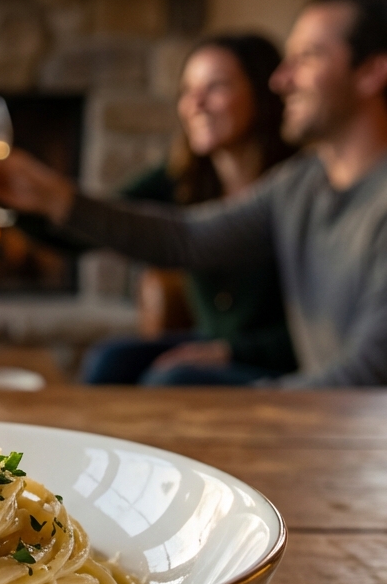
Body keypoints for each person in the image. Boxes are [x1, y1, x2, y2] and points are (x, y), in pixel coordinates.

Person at [0, 0, 387, 387]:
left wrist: (254, 408)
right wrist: (51, 196)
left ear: (373, 71)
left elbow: (369, 374)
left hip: (352, 437)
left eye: (309, 57)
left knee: (174, 385)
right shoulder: (301, 184)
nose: (282, 81)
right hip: (321, 418)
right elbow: (184, 237)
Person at [82, 34, 297, 385]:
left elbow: (325, 336)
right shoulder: (184, 178)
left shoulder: (296, 186)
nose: (195, 103)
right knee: (109, 361)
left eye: (215, 87)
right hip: (213, 343)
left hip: (273, 359)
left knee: (170, 380)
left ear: (262, 91)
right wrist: (22, 198)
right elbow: (101, 222)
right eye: (187, 90)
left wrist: (232, 351)